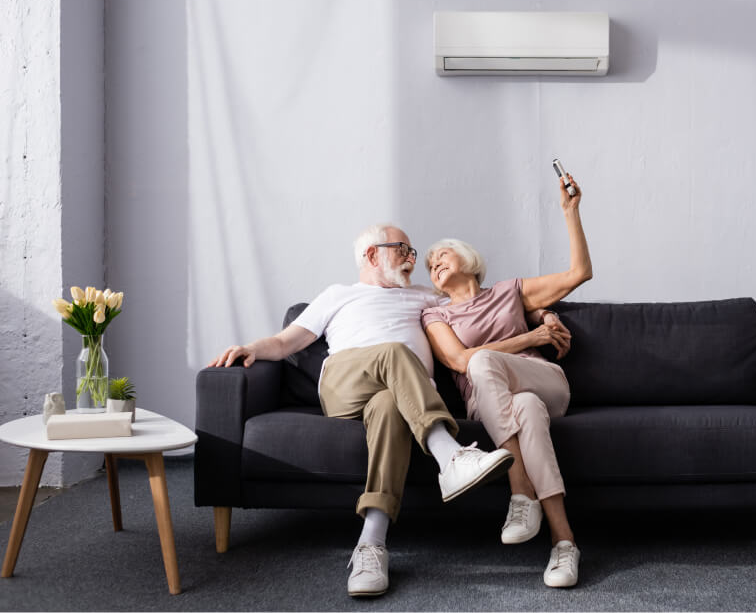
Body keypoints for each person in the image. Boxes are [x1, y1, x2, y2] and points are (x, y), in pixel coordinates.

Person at [208, 224, 515, 598]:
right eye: (402, 249)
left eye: (412, 252)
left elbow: (484, 307)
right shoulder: (339, 295)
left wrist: (544, 317)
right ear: (372, 255)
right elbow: (289, 340)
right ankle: (449, 456)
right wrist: (250, 347)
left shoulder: (424, 298)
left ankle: (371, 544)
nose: (411, 260)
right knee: (394, 351)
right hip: (344, 384)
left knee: (389, 404)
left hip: (399, 397)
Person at [421, 171, 592, 588]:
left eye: (442, 255)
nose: (434, 264)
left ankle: (520, 493)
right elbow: (459, 360)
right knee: (522, 406)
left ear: (468, 259)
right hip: (491, 401)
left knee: (501, 375)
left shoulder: (509, 291)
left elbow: (579, 272)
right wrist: (532, 335)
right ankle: (564, 542)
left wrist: (570, 212)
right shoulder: (435, 314)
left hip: (544, 380)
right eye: (429, 266)